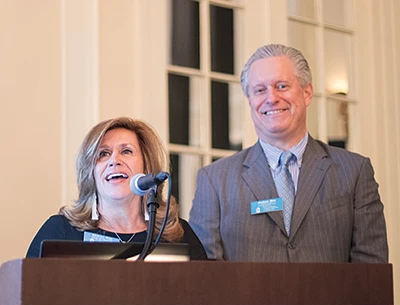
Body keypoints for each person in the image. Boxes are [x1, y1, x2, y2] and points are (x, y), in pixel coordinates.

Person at [189, 44, 388, 263]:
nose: (271, 98)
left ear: (307, 92)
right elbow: (205, 281)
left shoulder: (354, 171)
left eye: (282, 86)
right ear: (250, 100)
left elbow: (371, 271)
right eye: (260, 90)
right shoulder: (215, 180)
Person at [27, 117, 207, 260]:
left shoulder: (178, 234)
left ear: (147, 167)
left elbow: (207, 299)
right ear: (91, 172)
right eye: (103, 154)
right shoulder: (59, 232)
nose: (114, 160)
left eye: (126, 151)